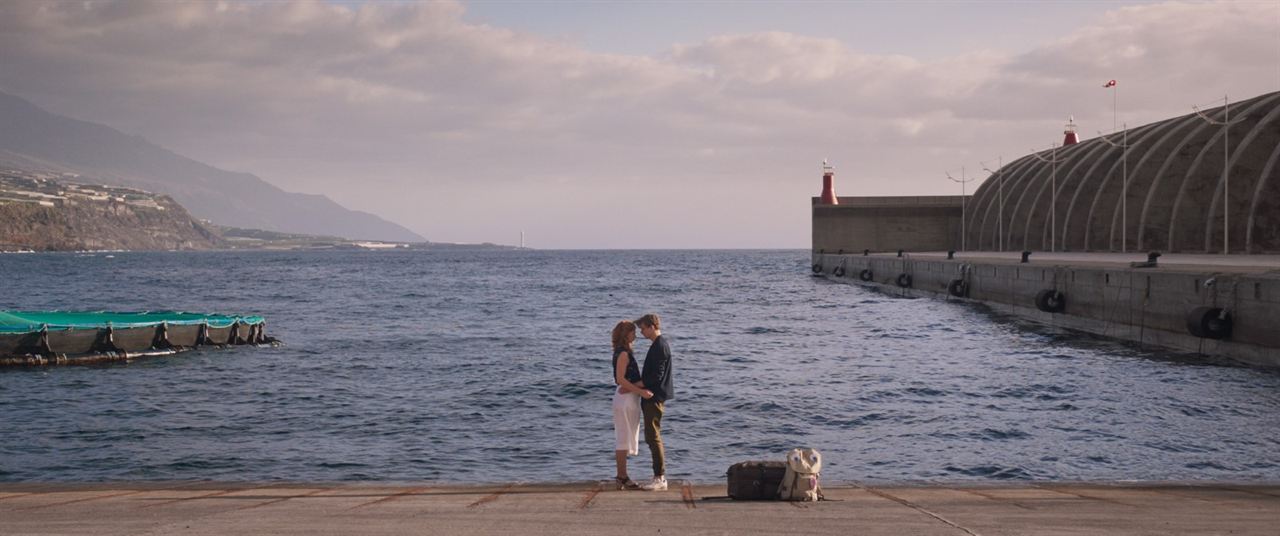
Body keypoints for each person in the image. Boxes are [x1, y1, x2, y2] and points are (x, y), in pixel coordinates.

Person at [610, 320, 652, 490]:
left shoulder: (624, 352)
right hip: (625, 399)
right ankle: (621, 476)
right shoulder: (623, 354)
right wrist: (641, 390)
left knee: (625, 436)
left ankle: (622, 475)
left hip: (629, 397)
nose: (635, 335)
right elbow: (620, 380)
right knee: (622, 437)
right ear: (625, 334)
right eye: (632, 332)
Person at [635, 313, 673, 491]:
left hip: (654, 397)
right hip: (653, 396)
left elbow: (655, 376)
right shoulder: (658, 345)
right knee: (652, 436)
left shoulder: (659, 346)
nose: (641, 332)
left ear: (651, 326)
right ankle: (658, 476)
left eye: (643, 328)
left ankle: (659, 477)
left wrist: (634, 386)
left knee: (653, 437)